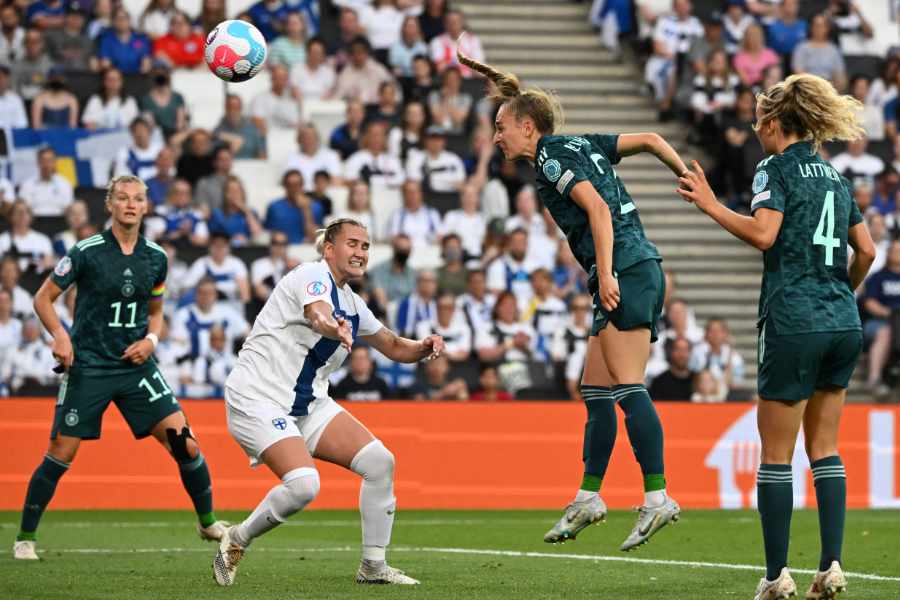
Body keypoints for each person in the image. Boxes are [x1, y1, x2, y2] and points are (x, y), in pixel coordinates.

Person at [458, 45, 687, 550]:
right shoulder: (581, 143)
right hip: (632, 265)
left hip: (625, 267)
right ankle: (588, 496)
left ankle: (657, 498)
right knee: (595, 389)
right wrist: (684, 174)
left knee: (628, 387)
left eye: (501, 127)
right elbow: (649, 139)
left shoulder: (550, 156)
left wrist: (605, 274)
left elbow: (600, 211)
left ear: (526, 126)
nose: (496, 136)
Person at [677, 73, 877, 600]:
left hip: (793, 320)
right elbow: (869, 252)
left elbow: (765, 233)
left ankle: (776, 577)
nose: (754, 130)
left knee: (775, 454)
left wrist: (711, 204)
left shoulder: (774, 166)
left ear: (771, 123)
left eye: (757, 122)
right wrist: (840, 293)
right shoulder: (834, 175)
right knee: (826, 450)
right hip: (842, 321)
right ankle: (831, 567)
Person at [212, 218, 444, 586]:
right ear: (329, 248)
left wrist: (423, 347)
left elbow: (393, 345)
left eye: (366, 246)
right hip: (258, 398)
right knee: (304, 485)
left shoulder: (353, 303)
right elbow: (316, 312)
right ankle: (237, 538)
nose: (360, 252)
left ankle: (373, 567)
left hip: (306, 404)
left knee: (380, 462)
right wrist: (330, 326)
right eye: (352, 244)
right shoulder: (310, 276)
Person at [12, 175, 227, 561]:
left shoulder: (156, 258)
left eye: (138, 199)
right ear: (109, 205)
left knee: (186, 443)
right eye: (123, 198)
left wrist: (152, 340)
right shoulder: (85, 251)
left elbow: (156, 311)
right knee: (61, 452)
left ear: (146, 206)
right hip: (89, 365)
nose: (131, 204)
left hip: (136, 366)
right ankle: (25, 537)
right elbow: (43, 299)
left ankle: (207, 521)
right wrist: (61, 336)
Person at [18, 147, 74, 218]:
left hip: (59, 222)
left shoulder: (65, 184)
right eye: (43, 161)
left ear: (54, 163)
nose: (46, 165)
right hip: (34, 222)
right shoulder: (27, 184)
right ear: (38, 162)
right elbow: (22, 209)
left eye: (50, 161)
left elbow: (68, 208)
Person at [214, 94, 266, 160]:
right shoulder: (218, 130)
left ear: (241, 108)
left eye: (236, 107)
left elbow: (261, 154)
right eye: (230, 107)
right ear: (225, 108)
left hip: (251, 167)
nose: (233, 111)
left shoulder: (252, 129)